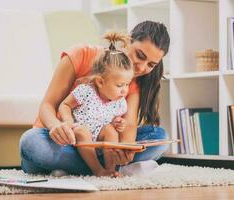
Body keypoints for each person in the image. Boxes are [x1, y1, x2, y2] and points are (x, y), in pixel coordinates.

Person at [20, 20, 170, 176]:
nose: (141, 68)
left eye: (151, 65)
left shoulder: (132, 82)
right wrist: (56, 126)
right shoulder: (82, 54)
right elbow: (47, 105)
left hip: (101, 145)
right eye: (140, 55)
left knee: (159, 137)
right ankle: (103, 169)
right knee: (31, 143)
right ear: (128, 40)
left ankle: (87, 168)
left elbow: (129, 124)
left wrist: (126, 149)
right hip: (63, 141)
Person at [58, 32, 133, 176]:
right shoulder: (86, 91)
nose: (124, 90)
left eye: (127, 84)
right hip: (78, 136)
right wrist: (68, 122)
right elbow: (64, 105)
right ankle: (97, 170)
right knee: (82, 131)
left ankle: (111, 170)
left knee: (111, 130)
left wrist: (118, 122)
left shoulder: (119, 102)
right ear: (100, 82)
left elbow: (113, 120)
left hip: (99, 138)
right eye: (119, 85)